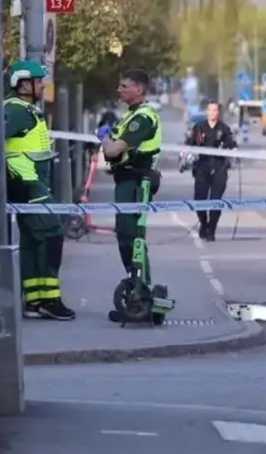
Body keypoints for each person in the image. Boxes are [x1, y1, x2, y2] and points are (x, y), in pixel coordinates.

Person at [4, 60, 75, 321]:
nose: (43, 85)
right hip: (28, 183)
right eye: (38, 80)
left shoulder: (25, 109)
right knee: (52, 235)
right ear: (24, 84)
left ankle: (34, 300)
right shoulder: (17, 110)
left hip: (32, 183)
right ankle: (49, 298)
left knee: (34, 241)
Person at [98, 69, 163, 289]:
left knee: (131, 236)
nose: (119, 90)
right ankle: (137, 285)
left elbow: (114, 150)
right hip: (126, 179)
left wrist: (105, 138)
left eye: (124, 86)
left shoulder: (143, 118)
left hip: (137, 180)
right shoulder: (131, 115)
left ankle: (141, 287)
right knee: (126, 234)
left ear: (138, 89)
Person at [186, 101, 237, 241]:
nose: (212, 113)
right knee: (199, 200)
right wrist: (185, 158)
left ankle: (211, 230)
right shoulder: (199, 127)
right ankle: (203, 223)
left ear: (218, 112)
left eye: (215, 110)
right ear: (207, 112)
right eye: (210, 110)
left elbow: (232, 145)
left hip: (219, 167)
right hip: (202, 167)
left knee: (215, 201)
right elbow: (190, 145)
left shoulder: (224, 129)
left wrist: (233, 152)